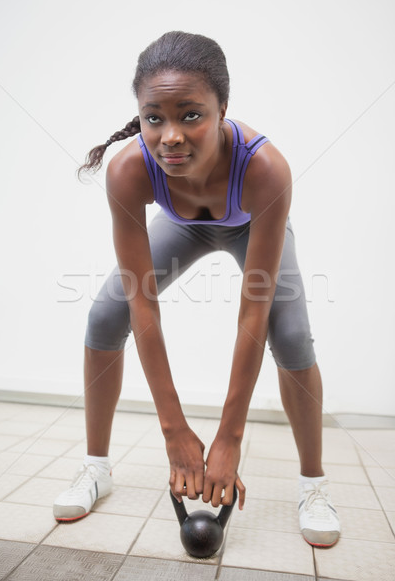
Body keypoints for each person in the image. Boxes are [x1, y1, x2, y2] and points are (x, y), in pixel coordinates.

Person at [53, 31, 340, 547]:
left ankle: (313, 486)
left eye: (191, 115)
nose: (170, 136)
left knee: (291, 334)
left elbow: (251, 314)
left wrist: (229, 438)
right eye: (153, 117)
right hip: (183, 224)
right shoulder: (128, 170)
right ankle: (96, 467)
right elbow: (143, 303)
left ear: (222, 108)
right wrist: (174, 430)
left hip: (250, 221)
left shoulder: (266, 169)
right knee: (104, 316)